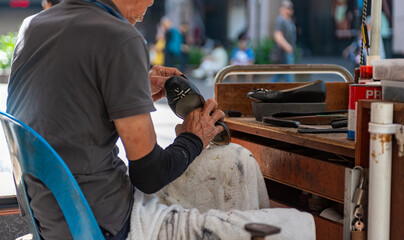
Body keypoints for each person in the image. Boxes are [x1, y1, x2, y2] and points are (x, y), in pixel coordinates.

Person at [7, 0, 314, 239]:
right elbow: (150, 174)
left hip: (53, 218)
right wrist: (194, 137)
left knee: (235, 160)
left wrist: (134, 86)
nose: (152, 3)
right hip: (108, 224)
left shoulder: (32, 26)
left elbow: (74, 97)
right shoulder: (120, 37)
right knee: (294, 225)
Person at [270, 0, 297, 83]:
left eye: (291, 8)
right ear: (282, 8)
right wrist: (288, 47)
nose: (290, 10)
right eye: (288, 8)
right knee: (288, 76)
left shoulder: (289, 20)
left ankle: (266, 90)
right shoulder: (281, 20)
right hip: (284, 53)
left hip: (287, 53)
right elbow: (277, 36)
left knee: (279, 75)